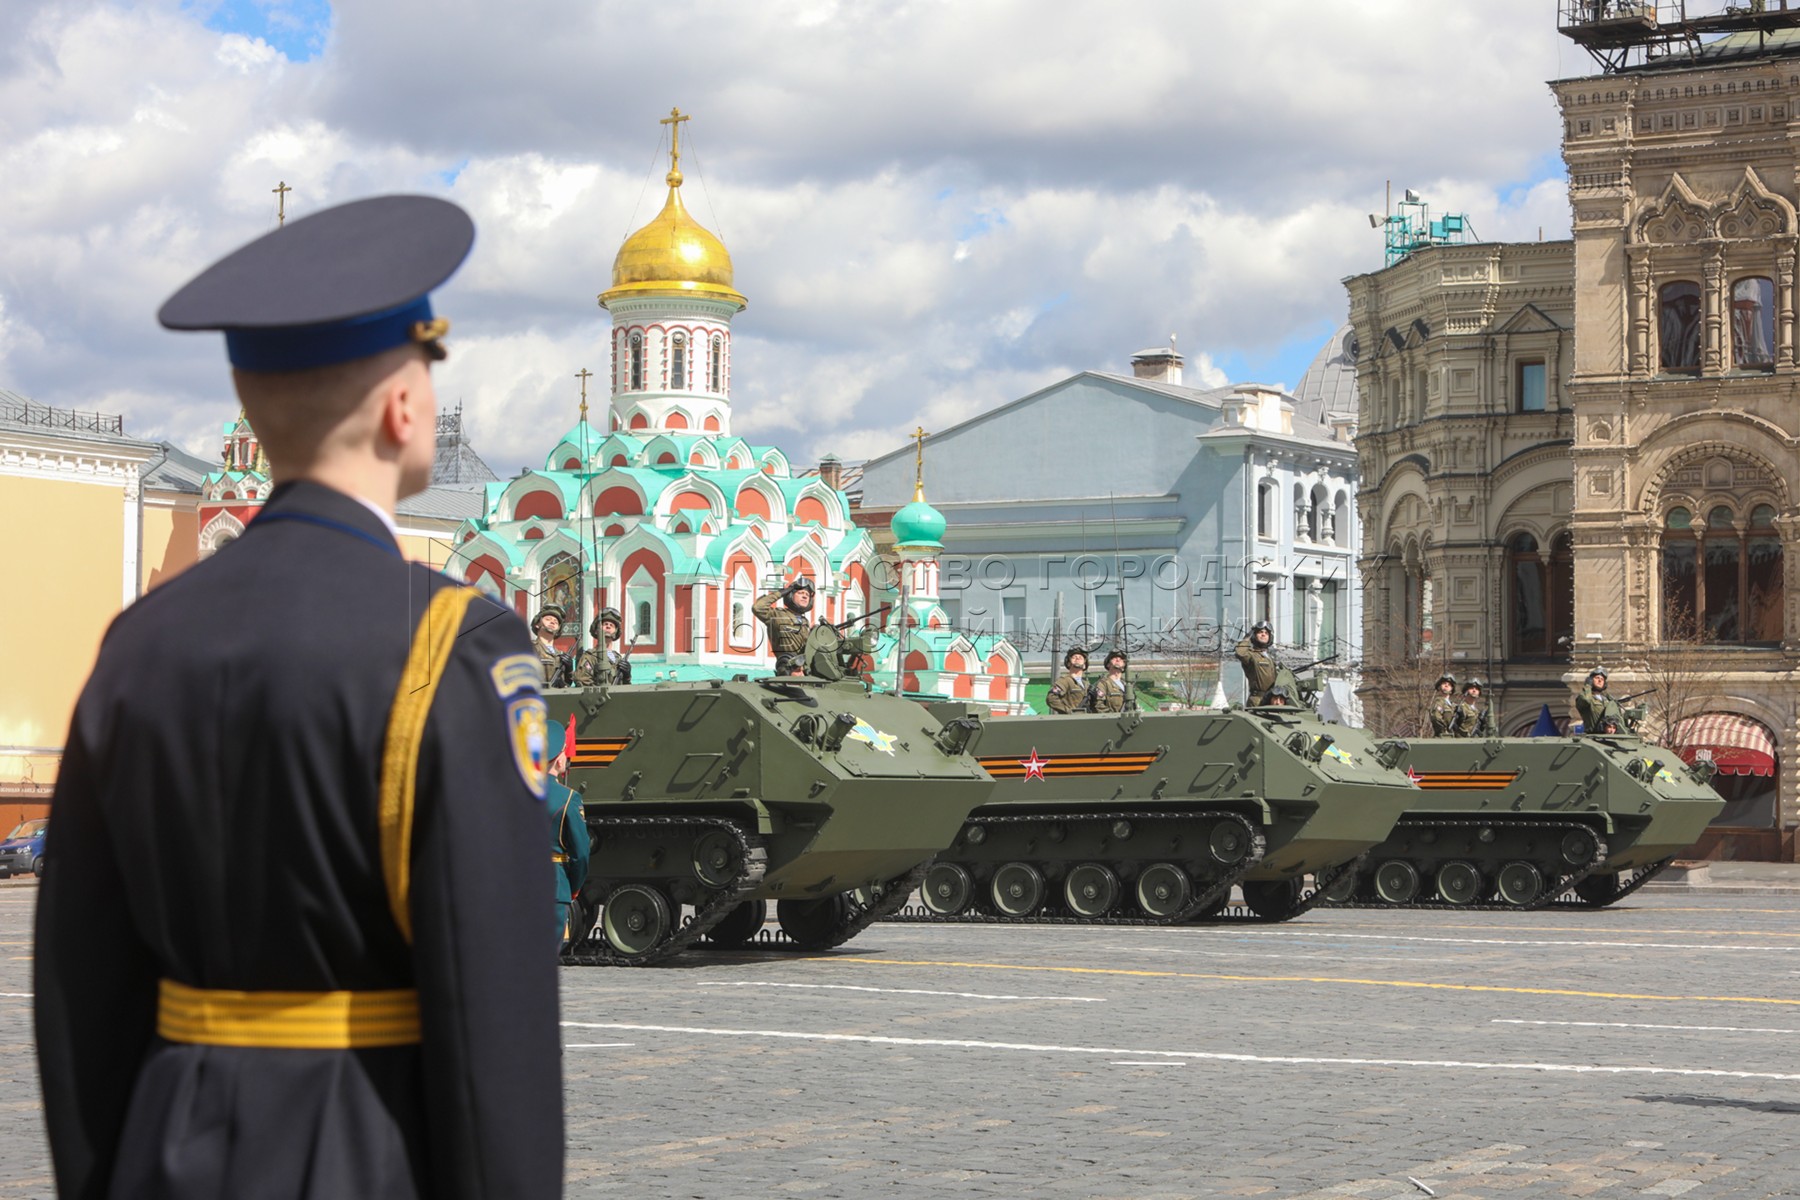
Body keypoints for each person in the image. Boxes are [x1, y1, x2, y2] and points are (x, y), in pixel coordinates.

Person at [34, 196, 563, 1199]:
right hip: (368, 1144)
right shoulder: (452, 641)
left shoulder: (142, 640)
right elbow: (492, 1012)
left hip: (165, 1144)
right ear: (404, 409)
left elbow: (79, 988)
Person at [547, 748, 591, 950]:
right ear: (557, 761)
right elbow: (581, 854)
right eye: (564, 752)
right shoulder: (568, 798)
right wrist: (571, 889)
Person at [753, 576, 814, 675]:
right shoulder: (777, 615)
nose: (805, 596)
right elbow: (758, 607)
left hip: (804, 670)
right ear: (790, 595)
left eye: (807, 594)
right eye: (800, 593)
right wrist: (782, 592)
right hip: (787, 667)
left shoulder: (805, 622)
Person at [575, 606, 632, 686]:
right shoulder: (589, 656)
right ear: (597, 630)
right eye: (605, 624)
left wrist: (627, 677)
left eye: (611, 625)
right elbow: (583, 682)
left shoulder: (618, 659)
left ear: (616, 631)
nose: (608, 626)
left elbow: (626, 689)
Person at [1234, 621, 1278, 704]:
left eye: (1266, 633)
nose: (1263, 635)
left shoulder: (1270, 657)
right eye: (1260, 632)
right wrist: (1248, 637)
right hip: (1257, 700)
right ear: (1254, 635)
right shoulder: (1251, 655)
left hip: (1272, 699)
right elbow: (1240, 653)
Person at [531, 604, 571, 686]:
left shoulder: (560, 655)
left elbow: (568, 684)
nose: (552, 622)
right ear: (537, 624)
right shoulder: (529, 648)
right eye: (548, 619)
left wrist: (569, 670)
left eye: (556, 622)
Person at [1047, 648, 1092, 714]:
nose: (1077, 659)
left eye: (1080, 658)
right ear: (1068, 663)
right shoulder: (1064, 681)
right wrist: (1068, 711)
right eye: (1074, 657)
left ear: (1084, 665)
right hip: (1070, 721)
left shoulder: (1087, 685)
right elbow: (1051, 698)